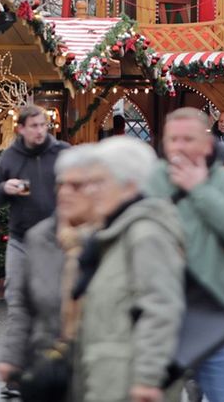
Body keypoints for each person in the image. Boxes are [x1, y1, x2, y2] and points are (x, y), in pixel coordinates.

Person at [145, 108, 224, 402]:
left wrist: (199, 189)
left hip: (214, 313)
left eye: (187, 139)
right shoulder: (152, 180)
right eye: (173, 139)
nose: (179, 146)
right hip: (161, 315)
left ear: (206, 144)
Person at [72, 137, 186, 402]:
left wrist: (147, 379)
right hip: (110, 379)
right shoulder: (112, 233)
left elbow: (161, 309)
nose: (90, 191)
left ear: (130, 186)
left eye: (99, 182)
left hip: (132, 385)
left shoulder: (146, 234)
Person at [0, 147, 100, 399]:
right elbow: (23, 306)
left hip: (100, 367)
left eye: (76, 185)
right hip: (48, 364)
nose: (65, 192)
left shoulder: (110, 236)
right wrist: (12, 356)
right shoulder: (39, 238)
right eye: (61, 184)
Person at [0, 104, 70, 300]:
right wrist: (4, 188)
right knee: (16, 296)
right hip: (21, 239)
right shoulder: (10, 156)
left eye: (43, 125)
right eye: (34, 126)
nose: (40, 130)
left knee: (55, 298)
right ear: (21, 129)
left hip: (56, 239)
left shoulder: (62, 152)